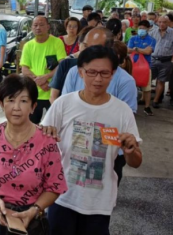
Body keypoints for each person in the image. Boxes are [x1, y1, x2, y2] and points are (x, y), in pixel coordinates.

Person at [43, 46, 142, 235]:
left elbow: (136, 162)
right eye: (92, 72)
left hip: (99, 203)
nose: (98, 79)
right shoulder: (63, 104)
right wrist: (44, 135)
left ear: (113, 73)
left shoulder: (122, 111)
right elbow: (41, 145)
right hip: (61, 196)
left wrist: (131, 152)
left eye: (104, 73)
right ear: (80, 72)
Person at [0, 74, 68, 235]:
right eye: (10, 100)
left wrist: (35, 209)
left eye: (24, 101)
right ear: (1, 103)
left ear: (33, 106)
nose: (16, 107)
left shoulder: (47, 142)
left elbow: (54, 186)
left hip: (27, 219)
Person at [20, 16, 66, 123]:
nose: (38, 28)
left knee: (53, 124)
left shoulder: (57, 42)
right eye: (35, 25)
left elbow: (62, 65)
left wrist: (46, 78)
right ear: (31, 28)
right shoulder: (28, 45)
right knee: (32, 124)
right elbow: (24, 69)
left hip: (53, 93)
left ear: (48, 27)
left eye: (41, 25)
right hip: (34, 93)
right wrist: (40, 82)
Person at [49, 26, 94, 104]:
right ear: (79, 44)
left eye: (93, 47)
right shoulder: (66, 64)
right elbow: (53, 96)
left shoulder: (106, 71)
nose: (89, 50)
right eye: (85, 46)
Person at [128, 20, 156, 116]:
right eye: (140, 28)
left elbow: (148, 52)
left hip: (146, 67)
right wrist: (141, 50)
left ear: (148, 29)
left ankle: (147, 107)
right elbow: (128, 50)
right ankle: (131, 107)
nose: (141, 30)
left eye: (144, 28)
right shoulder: (132, 38)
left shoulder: (152, 40)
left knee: (147, 88)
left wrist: (135, 49)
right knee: (131, 87)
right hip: (132, 66)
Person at [149, 15, 173, 108]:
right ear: (157, 22)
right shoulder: (152, 32)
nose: (162, 24)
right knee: (148, 80)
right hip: (153, 59)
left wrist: (172, 61)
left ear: (168, 23)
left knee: (161, 81)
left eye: (164, 22)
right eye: (160, 22)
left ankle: (156, 101)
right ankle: (145, 99)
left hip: (166, 61)